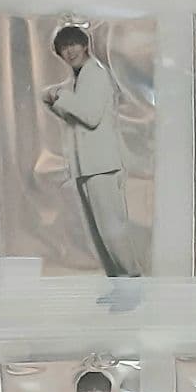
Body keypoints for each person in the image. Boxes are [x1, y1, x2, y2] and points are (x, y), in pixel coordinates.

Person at [43, 26, 142, 277]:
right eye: (63, 48)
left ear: (85, 45)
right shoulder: (80, 77)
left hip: (102, 166)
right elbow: (77, 117)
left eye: (73, 45)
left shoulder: (95, 74)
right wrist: (57, 101)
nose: (69, 51)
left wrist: (60, 97)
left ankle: (132, 281)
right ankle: (119, 283)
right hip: (88, 165)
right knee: (101, 235)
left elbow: (90, 115)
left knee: (112, 231)